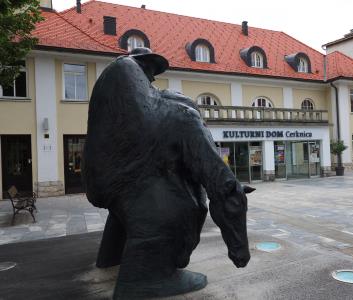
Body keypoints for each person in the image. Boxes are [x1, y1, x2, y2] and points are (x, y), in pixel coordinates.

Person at [83, 48, 252, 299]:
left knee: (153, 197)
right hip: (130, 184)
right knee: (186, 204)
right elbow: (217, 181)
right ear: (143, 67)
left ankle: (111, 255)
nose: (153, 80)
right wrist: (221, 188)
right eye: (151, 73)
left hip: (105, 185)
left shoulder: (116, 83)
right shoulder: (176, 112)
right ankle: (150, 278)